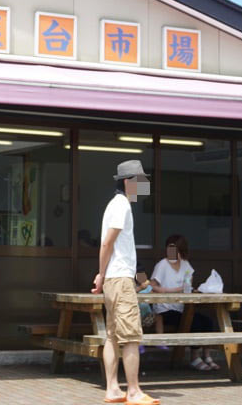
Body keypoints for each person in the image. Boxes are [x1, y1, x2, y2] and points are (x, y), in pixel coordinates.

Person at [92, 160, 159, 405]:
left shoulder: (114, 205)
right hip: (120, 278)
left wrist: (101, 275)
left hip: (112, 278)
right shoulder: (122, 206)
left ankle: (112, 389)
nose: (145, 184)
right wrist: (101, 273)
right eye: (141, 180)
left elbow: (108, 245)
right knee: (131, 336)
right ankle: (133, 391)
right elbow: (107, 243)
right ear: (129, 182)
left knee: (111, 336)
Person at [150, 234, 219, 371]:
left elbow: (188, 284)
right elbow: (152, 286)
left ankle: (206, 354)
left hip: (182, 307)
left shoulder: (186, 265)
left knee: (207, 321)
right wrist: (171, 290)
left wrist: (189, 286)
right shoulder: (162, 265)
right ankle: (194, 357)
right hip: (165, 310)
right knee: (194, 322)